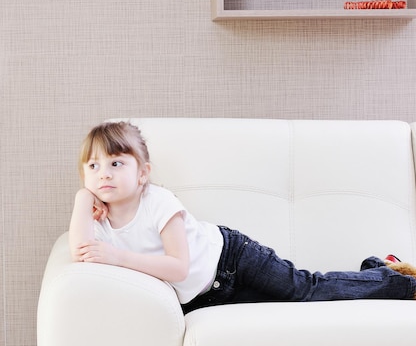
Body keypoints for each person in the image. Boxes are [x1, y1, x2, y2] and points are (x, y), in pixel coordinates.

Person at [69, 120, 416, 314]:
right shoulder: (96, 216)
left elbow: (178, 267)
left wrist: (117, 257)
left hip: (234, 258)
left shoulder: (158, 202)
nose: (105, 174)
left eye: (117, 163)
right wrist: (83, 199)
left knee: (305, 290)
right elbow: (79, 253)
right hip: (209, 297)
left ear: (142, 173)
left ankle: (403, 284)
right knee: (289, 310)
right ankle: (376, 270)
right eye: (93, 167)